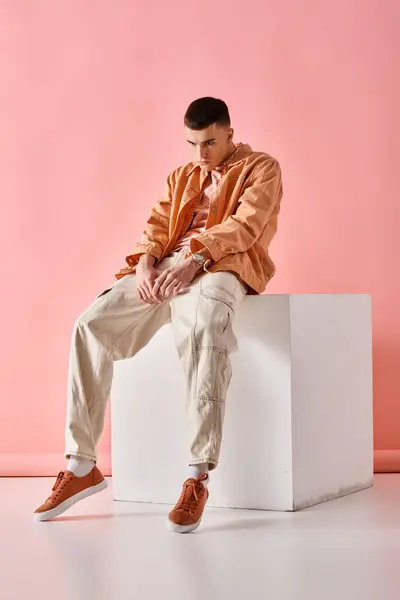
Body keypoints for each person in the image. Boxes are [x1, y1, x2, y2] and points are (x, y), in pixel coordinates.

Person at [34, 97, 283, 532]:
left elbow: (247, 225)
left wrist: (196, 259)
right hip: (167, 265)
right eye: (191, 144)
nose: (200, 154)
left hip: (223, 264)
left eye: (208, 143)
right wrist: (146, 261)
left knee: (206, 331)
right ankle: (80, 466)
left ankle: (196, 476)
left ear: (229, 132)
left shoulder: (262, 167)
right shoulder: (182, 176)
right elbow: (157, 223)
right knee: (90, 326)